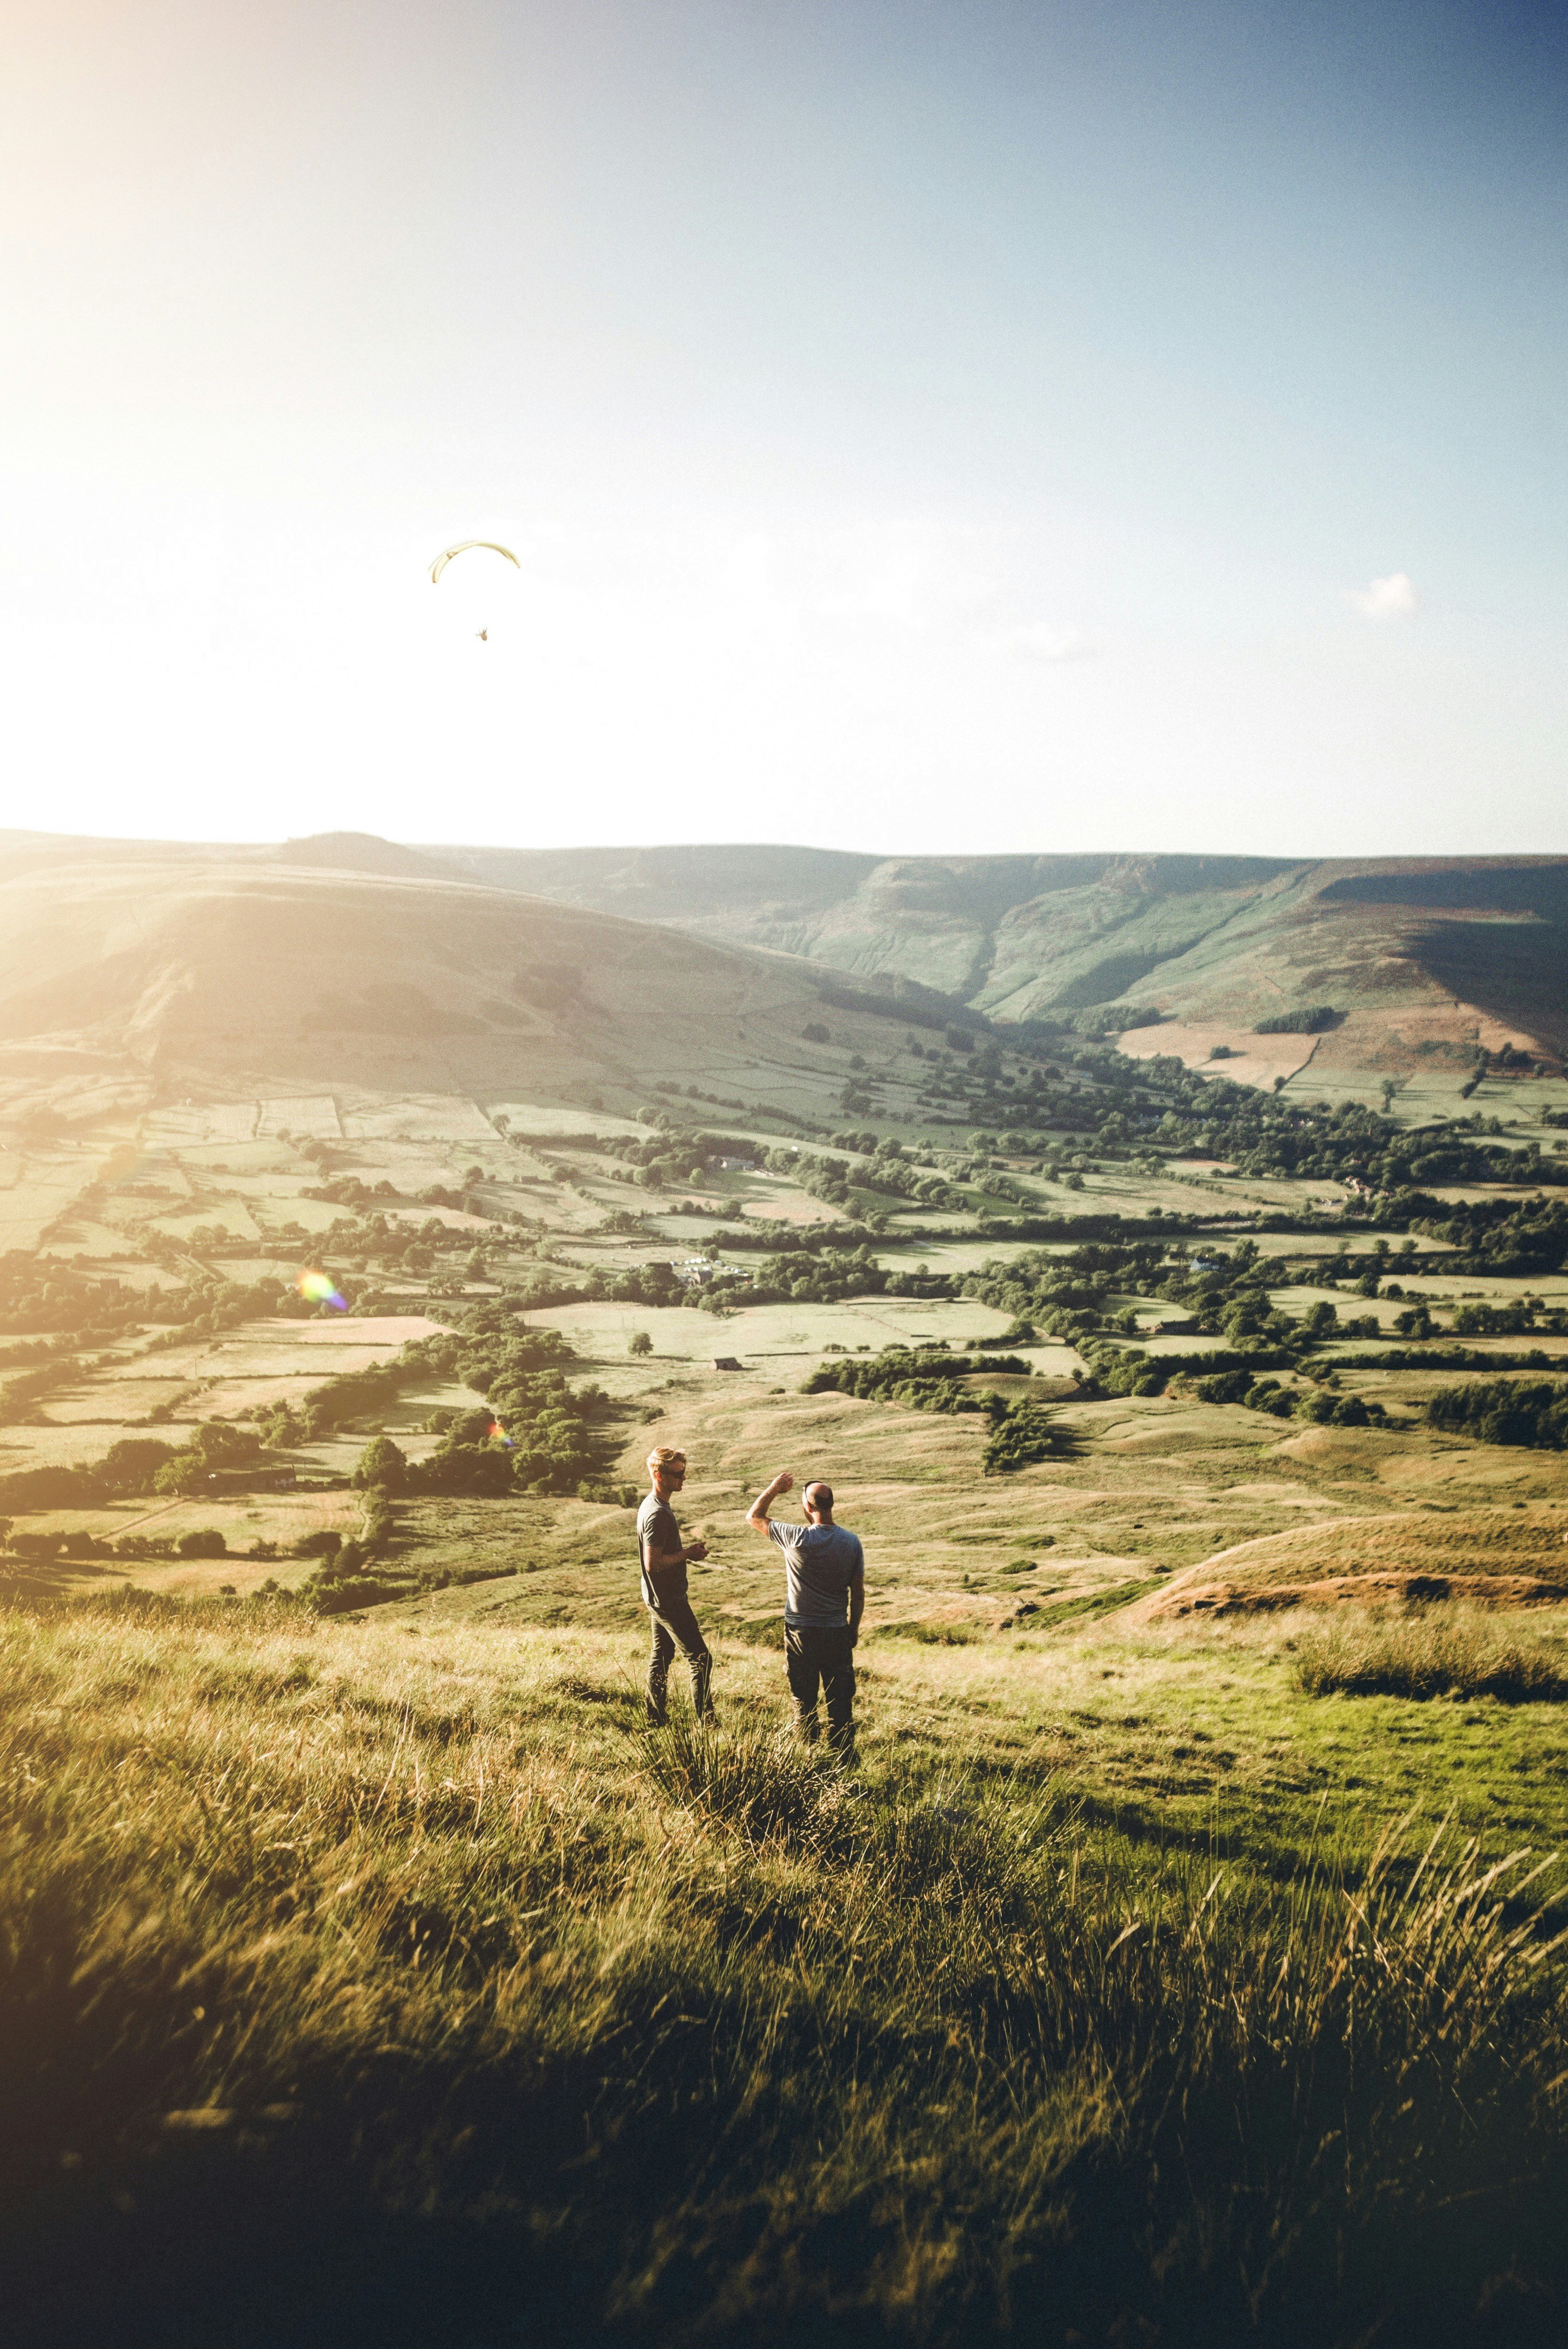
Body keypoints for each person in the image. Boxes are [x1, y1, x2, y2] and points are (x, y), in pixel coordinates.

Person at [745, 1470, 864, 1757]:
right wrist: (853, 1629)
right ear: (831, 1505)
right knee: (840, 1702)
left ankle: (807, 1755)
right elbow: (857, 1593)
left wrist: (775, 1488)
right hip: (837, 1630)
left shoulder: (795, 1537)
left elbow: (754, 1516)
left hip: (801, 1633)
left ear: (808, 1508)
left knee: (804, 1699)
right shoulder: (852, 1542)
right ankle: (843, 1756)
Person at [637, 1445, 715, 1727]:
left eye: (685, 1473)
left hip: (656, 1597)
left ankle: (655, 1718)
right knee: (700, 1660)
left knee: (662, 1655)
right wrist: (688, 1554)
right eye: (678, 1474)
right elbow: (653, 1563)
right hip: (669, 1600)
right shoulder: (658, 1513)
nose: (684, 1479)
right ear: (659, 1475)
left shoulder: (651, 1504)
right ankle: (707, 1723)